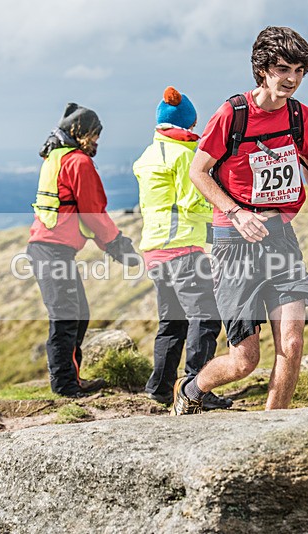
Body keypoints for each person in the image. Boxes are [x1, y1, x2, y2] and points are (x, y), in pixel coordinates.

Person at [171, 25, 308, 415]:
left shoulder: (302, 117)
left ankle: (273, 427)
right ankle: (191, 390)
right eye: (284, 69)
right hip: (234, 243)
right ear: (263, 69)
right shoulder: (232, 114)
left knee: (293, 342)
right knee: (243, 361)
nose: (292, 80)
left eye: (300, 71)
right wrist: (236, 213)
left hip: (281, 238)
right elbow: (199, 172)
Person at [28, 103, 140, 398]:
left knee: (77, 314)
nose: (97, 141)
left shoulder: (57, 156)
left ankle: (71, 379)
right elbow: (92, 212)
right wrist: (119, 246)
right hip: (52, 251)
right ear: (80, 133)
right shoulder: (78, 162)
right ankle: (65, 386)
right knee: (66, 318)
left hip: (50, 250)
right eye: (94, 134)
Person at [132, 86, 230, 411]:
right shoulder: (184, 155)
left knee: (171, 321)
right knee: (206, 317)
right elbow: (192, 204)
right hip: (184, 249)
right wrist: (223, 212)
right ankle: (195, 388)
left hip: (154, 251)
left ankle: (160, 386)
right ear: (189, 123)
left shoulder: (148, 156)